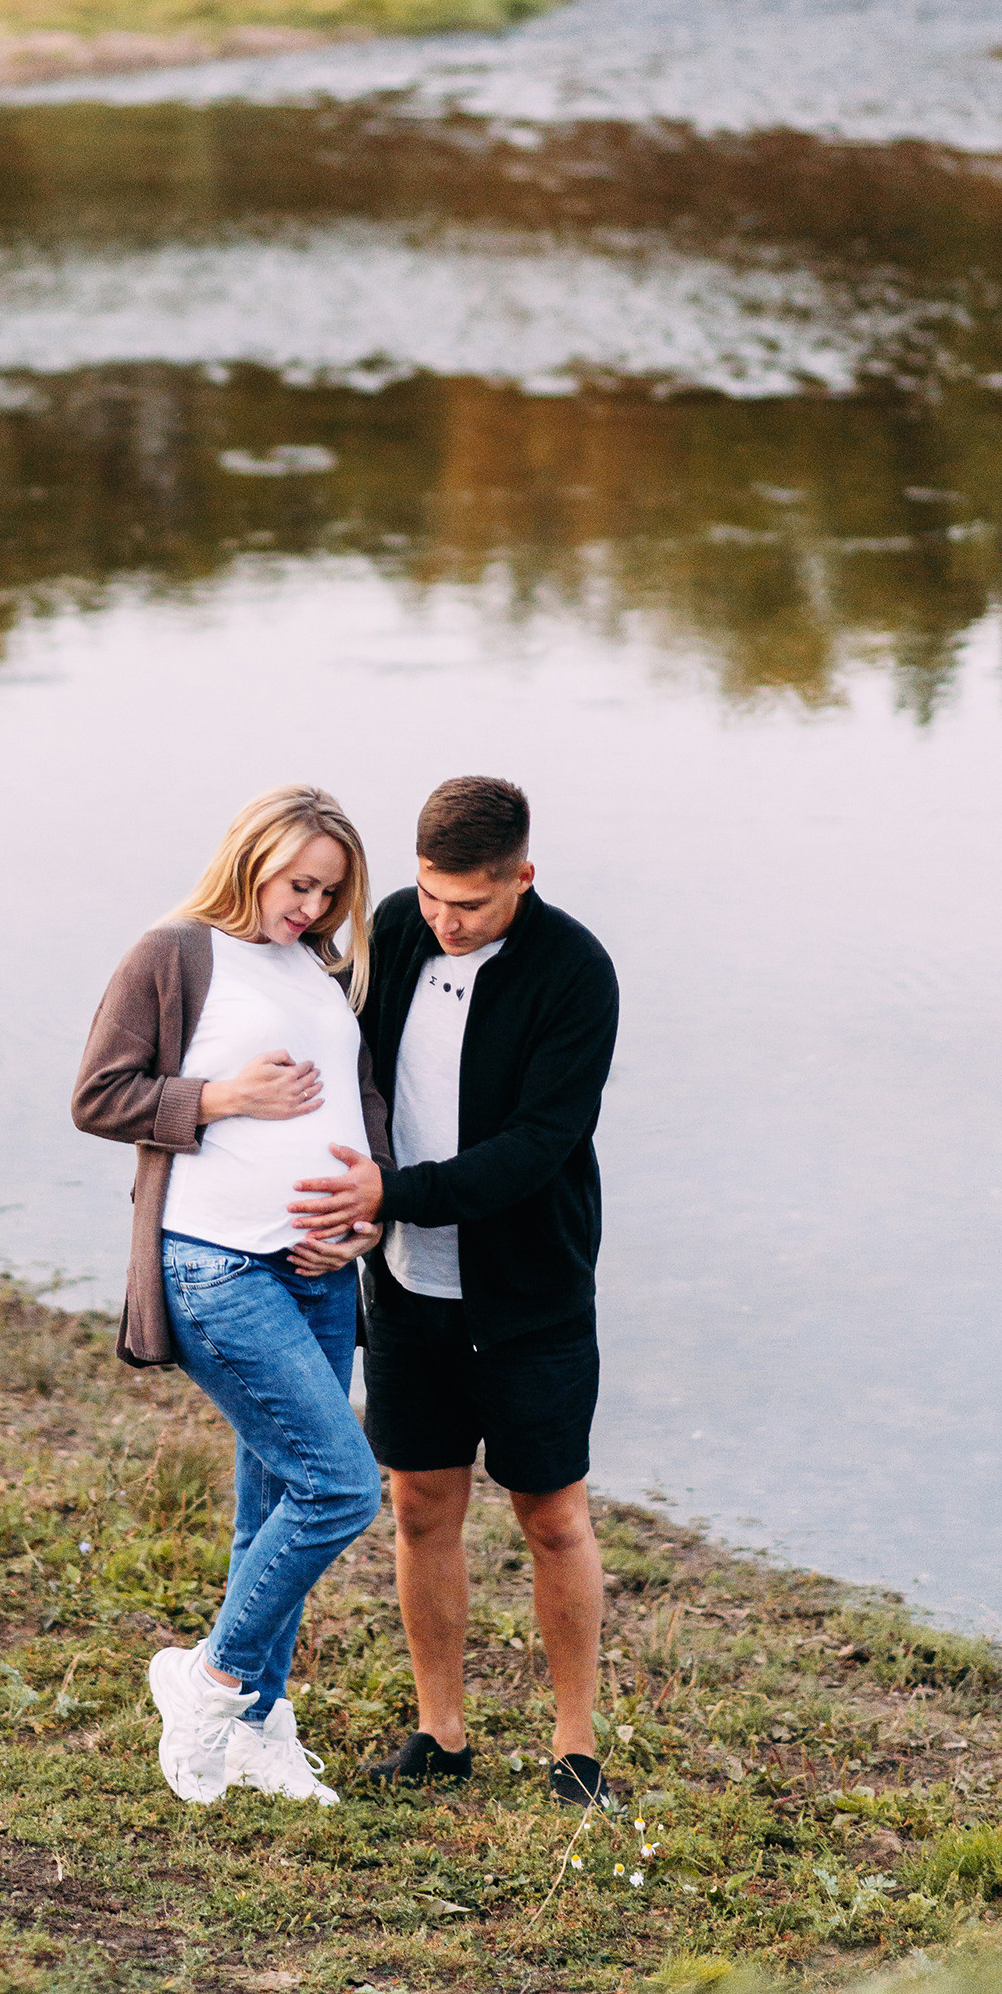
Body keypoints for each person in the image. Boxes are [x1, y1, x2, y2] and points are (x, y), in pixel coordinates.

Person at [288, 774, 620, 1810]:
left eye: (468, 904)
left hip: (531, 1299)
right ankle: (440, 1732)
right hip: (404, 1293)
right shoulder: (394, 927)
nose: (443, 919)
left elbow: (533, 1149)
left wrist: (390, 1190)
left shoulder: (575, 974)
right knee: (418, 1506)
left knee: (551, 1516)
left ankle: (574, 1749)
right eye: (431, 898)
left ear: (522, 876)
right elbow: (330, 1045)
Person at [72, 783, 389, 1809]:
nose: (308, 906)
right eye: (297, 882)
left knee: (272, 1505)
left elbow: (358, 1108)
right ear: (250, 855)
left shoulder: (321, 970)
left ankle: (260, 1724)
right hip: (216, 1263)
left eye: (328, 892)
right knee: (341, 1487)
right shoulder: (174, 952)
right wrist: (221, 1098)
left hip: (319, 1273)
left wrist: (363, 1217)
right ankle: (205, 1678)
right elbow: (98, 1094)